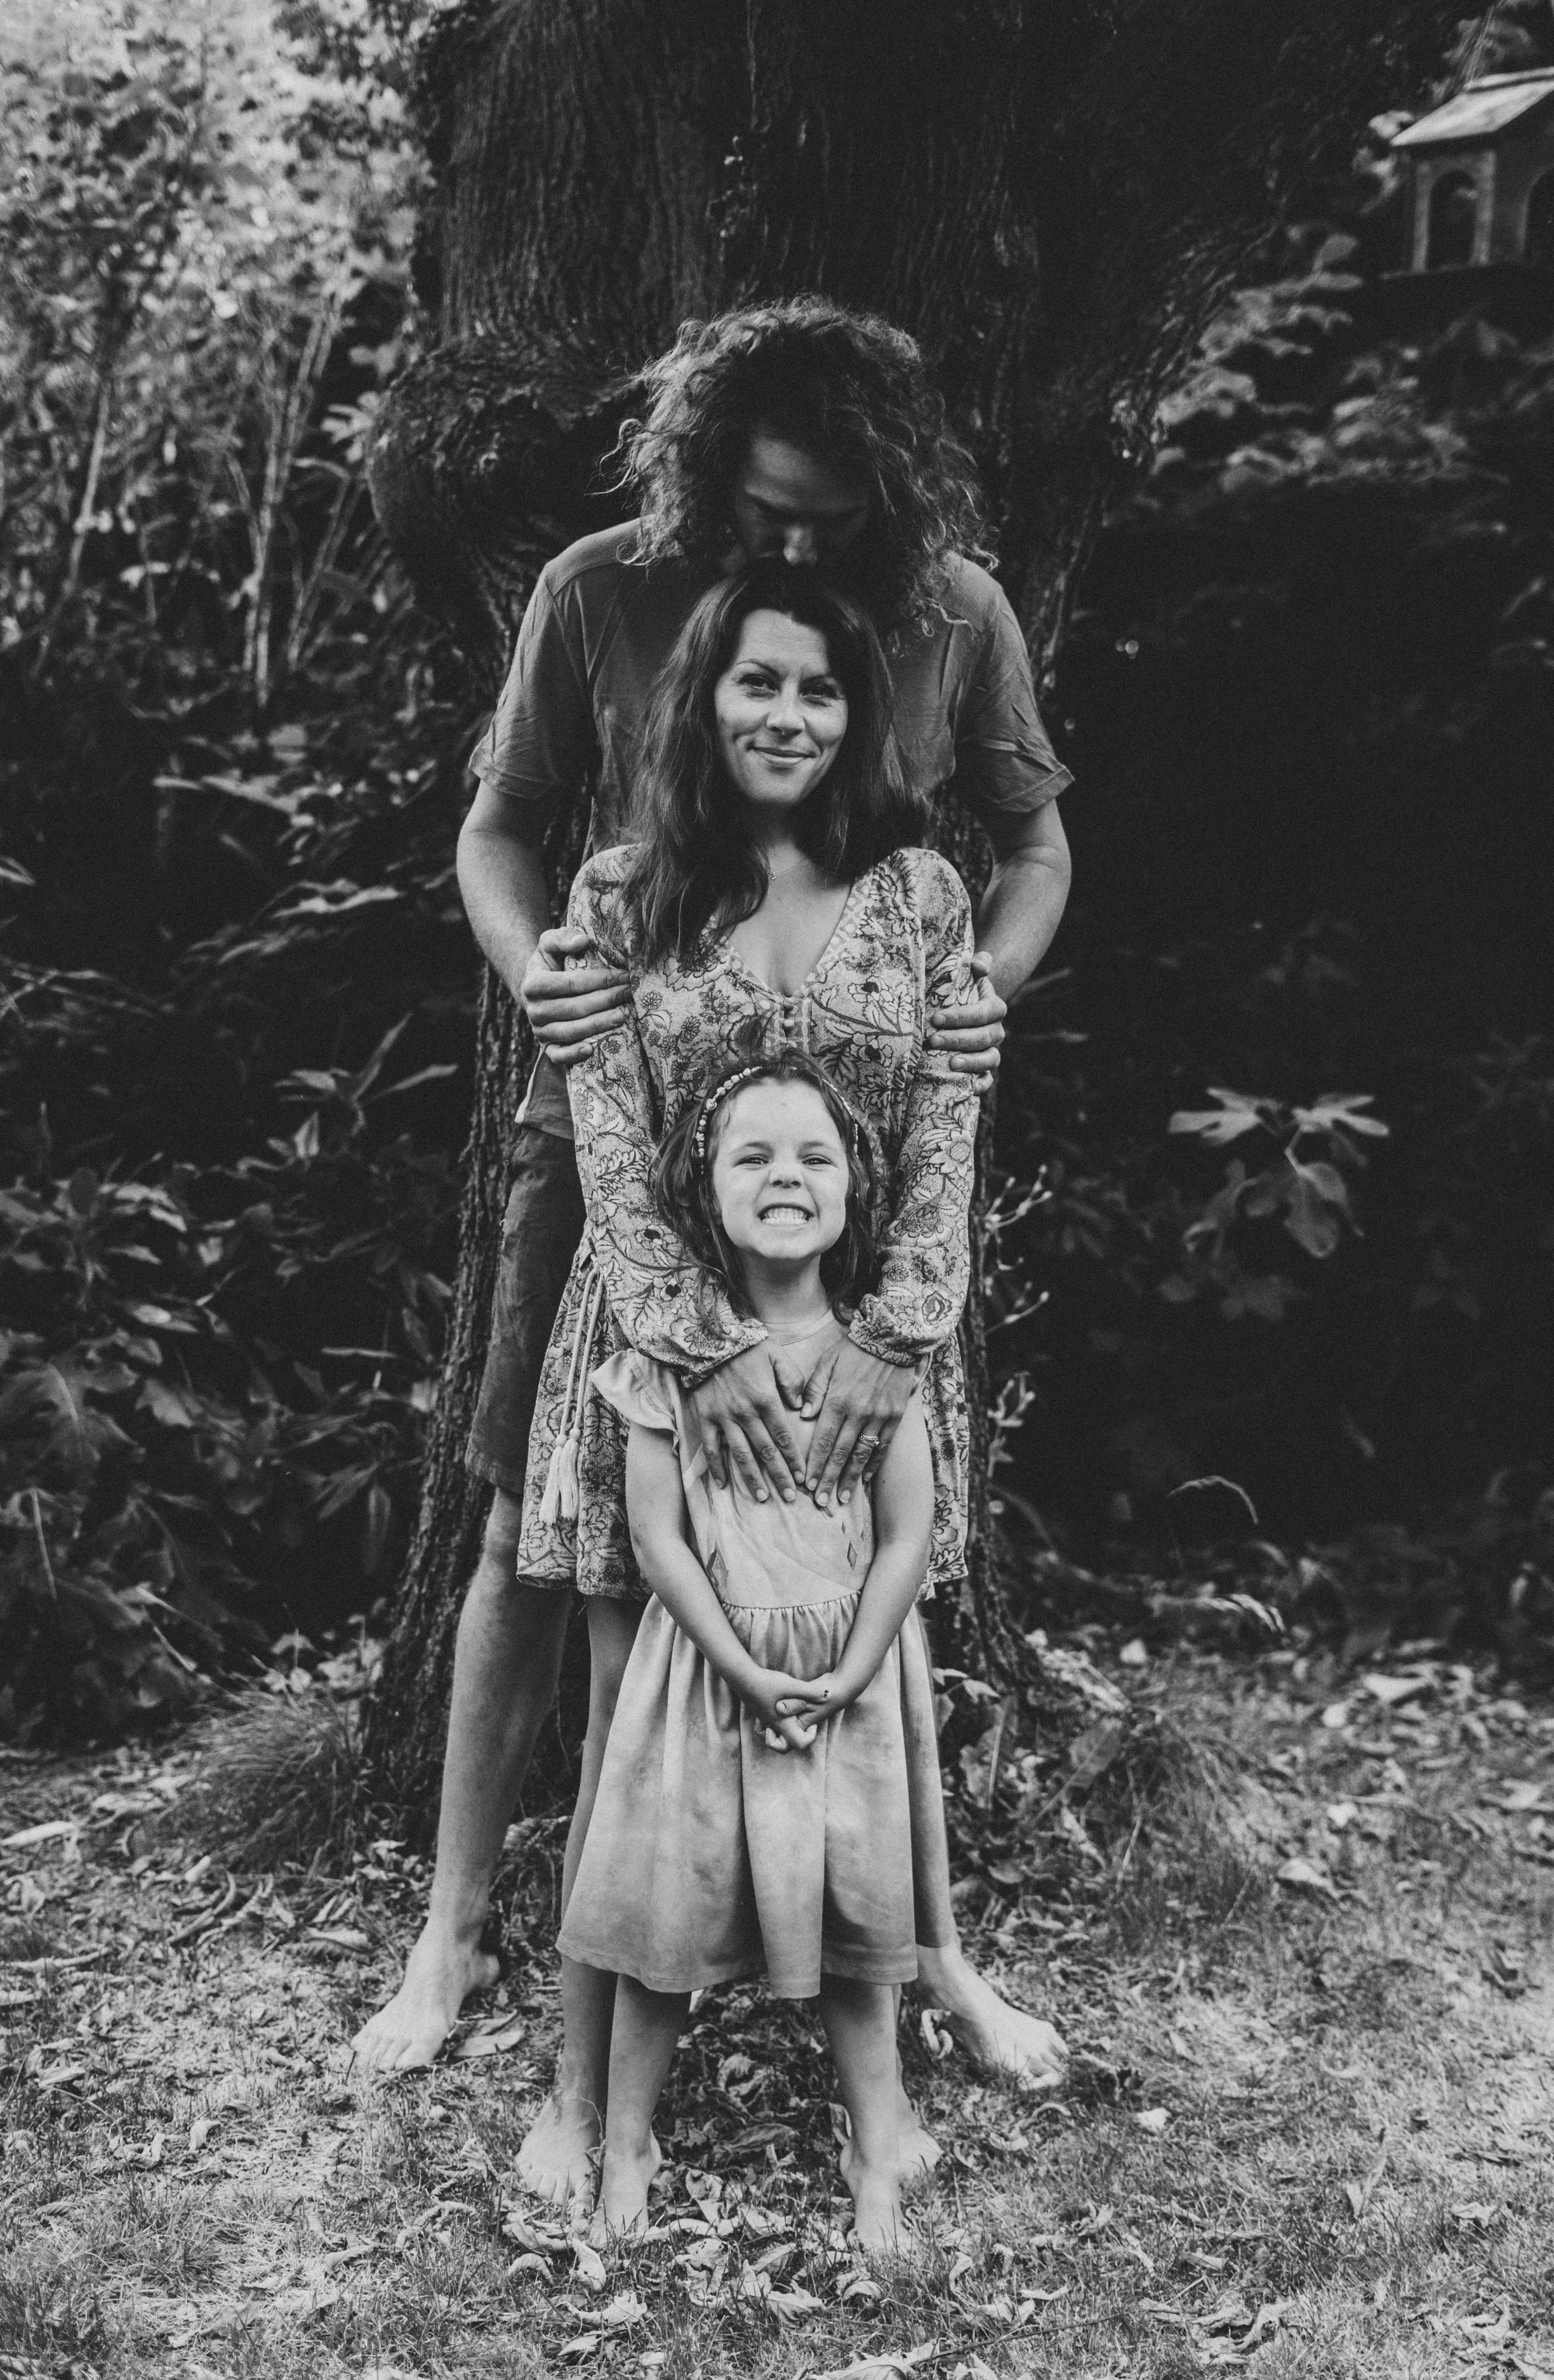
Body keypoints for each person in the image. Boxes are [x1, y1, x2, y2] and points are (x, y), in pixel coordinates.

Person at [352, 300, 1072, 2129]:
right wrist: (546, 976)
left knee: (867, 1519)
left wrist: (976, 989)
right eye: (767, 514)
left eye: (834, 518)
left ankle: (922, 1948)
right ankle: (453, 1928)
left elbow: (1032, 839)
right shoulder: (597, 589)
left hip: (850, 1161)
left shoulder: (955, 610)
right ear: (704, 478)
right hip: (614, 1122)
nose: (801, 551)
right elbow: (500, 827)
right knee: (537, 1519)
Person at [515, 564, 981, 2216]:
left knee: (860, 1705)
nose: (787, 714)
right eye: (756, 681)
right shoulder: (625, 890)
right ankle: (581, 2094)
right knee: (628, 1727)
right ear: (702, 697)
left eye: (820, 687)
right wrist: (697, 1350)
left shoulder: (919, 897)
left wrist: (886, 1345)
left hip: (859, 1364)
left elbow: (941, 1140)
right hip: (657, 1355)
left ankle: (884, 2043)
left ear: (857, 714)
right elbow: (612, 1146)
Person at [564, 1055, 936, 2253]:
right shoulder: (668, 1365)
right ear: (703, 1188)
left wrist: (850, 1672)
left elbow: (909, 1535)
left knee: (857, 1929)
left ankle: (874, 2146)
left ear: (853, 1188)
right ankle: (628, 2139)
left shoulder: (881, 1368)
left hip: (843, 1684)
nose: (787, 1176)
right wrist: (739, 1665)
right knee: (667, 1926)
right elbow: (657, 1541)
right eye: (754, 1155)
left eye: (815, 1155)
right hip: (704, 1679)